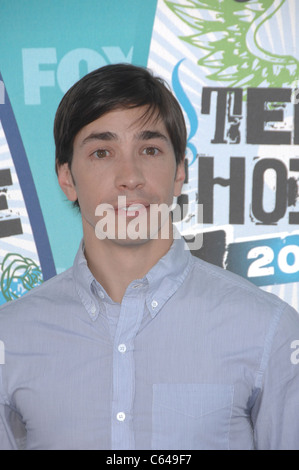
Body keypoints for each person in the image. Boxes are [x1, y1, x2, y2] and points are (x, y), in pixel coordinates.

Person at [0, 64, 299, 451]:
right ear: (67, 178)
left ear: (179, 172)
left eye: (150, 149)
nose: (130, 176)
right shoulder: (10, 336)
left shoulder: (268, 330)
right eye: (102, 152)